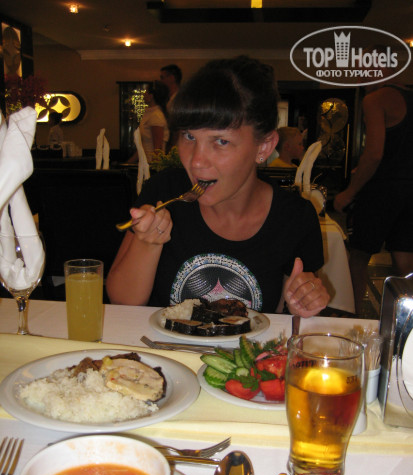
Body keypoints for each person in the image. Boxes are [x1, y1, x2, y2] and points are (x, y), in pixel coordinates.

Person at [107, 56, 329, 317]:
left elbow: (286, 310)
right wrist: (147, 243)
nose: (196, 161)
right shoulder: (164, 191)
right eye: (189, 136)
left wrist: (304, 301)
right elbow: (122, 303)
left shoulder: (294, 216)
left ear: (264, 146)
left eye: (221, 141)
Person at [334, 63, 413, 314]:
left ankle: (353, 319)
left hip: (382, 190)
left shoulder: (375, 99)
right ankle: (407, 323)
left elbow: (374, 153)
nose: (360, 78)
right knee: (405, 261)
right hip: (409, 189)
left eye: (364, 71)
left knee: (358, 258)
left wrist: (349, 192)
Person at [127, 80, 170, 163]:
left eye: (146, 91)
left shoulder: (156, 116)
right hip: (145, 163)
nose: (143, 94)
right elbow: (143, 147)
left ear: (151, 96)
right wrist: (128, 163)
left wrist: (154, 168)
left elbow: (158, 149)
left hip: (151, 164)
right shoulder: (149, 113)